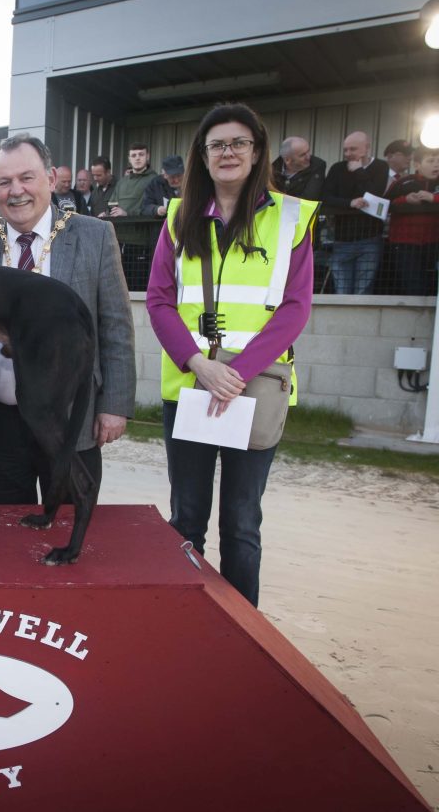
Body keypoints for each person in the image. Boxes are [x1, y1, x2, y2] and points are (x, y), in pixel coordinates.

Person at [145, 103, 318, 607]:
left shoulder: (291, 217)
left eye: (239, 142)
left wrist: (235, 373)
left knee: (242, 523)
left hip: (254, 389)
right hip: (191, 387)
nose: (228, 152)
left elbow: (295, 307)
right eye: (217, 144)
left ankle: (242, 629)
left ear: (258, 151)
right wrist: (198, 364)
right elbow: (158, 299)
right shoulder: (179, 216)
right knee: (186, 519)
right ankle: (186, 619)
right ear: (203, 155)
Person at [0, 133, 135, 505]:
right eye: (4, 182)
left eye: (26, 177)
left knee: (68, 524)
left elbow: (115, 326)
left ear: (50, 178)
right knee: (3, 529)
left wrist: (114, 404)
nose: (16, 191)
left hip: (70, 417)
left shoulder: (94, 236)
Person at [321, 131, 388, 294]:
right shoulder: (337, 168)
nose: (348, 153)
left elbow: (375, 194)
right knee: (341, 290)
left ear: (367, 148)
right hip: (342, 238)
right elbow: (325, 197)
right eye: (345, 149)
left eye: (353, 149)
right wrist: (350, 203)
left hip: (370, 237)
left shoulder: (380, 167)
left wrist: (359, 171)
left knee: (363, 290)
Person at [385, 145, 439, 296]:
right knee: (413, 287)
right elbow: (384, 204)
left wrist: (433, 198)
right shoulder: (404, 182)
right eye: (431, 161)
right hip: (405, 245)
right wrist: (405, 200)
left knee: (433, 287)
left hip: (434, 244)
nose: (436, 165)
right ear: (417, 165)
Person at [108, 143, 156, 217]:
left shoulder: (155, 180)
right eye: (133, 155)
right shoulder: (121, 182)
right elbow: (111, 205)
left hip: (143, 223)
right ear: (129, 159)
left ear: (147, 156)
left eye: (141, 154)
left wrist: (127, 214)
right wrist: (106, 214)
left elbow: (153, 209)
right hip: (119, 223)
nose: (137, 158)